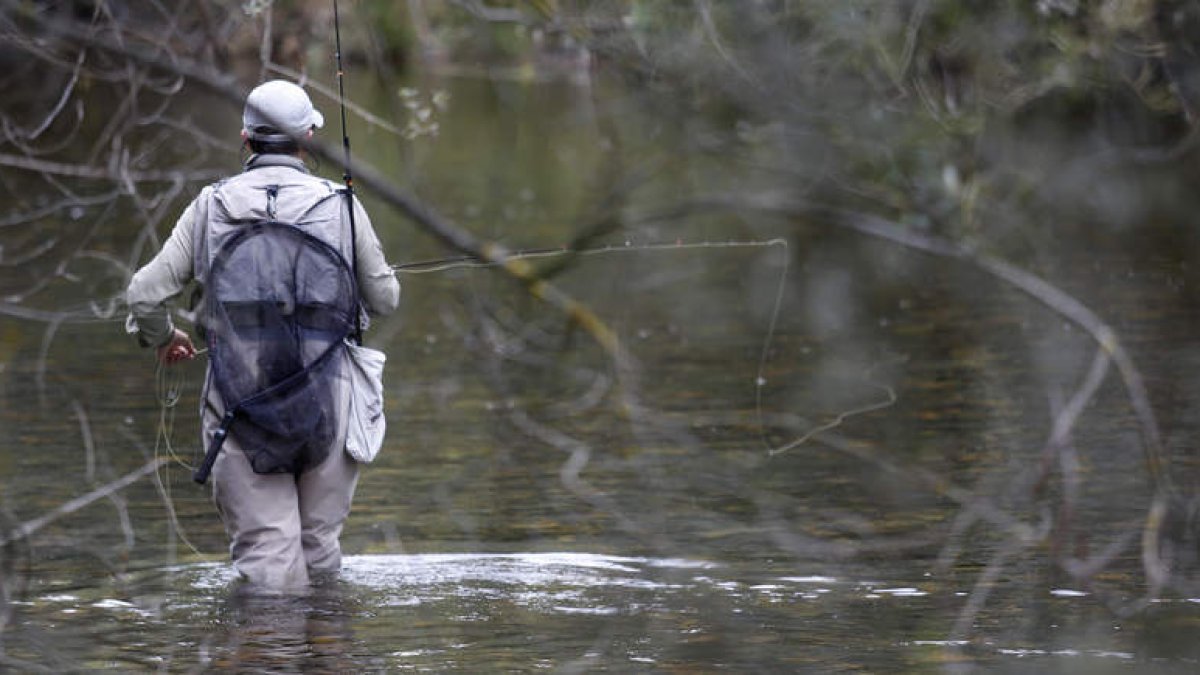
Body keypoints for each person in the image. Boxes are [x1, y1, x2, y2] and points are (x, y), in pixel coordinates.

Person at [125, 79, 400, 589]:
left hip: (239, 402)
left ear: (246, 140)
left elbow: (143, 294)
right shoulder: (342, 205)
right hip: (330, 404)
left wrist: (164, 337)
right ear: (309, 139)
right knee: (319, 553)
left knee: (269, 567)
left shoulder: (210, 206)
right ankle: (326, 655)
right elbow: (385, 300)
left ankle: (268, 657)